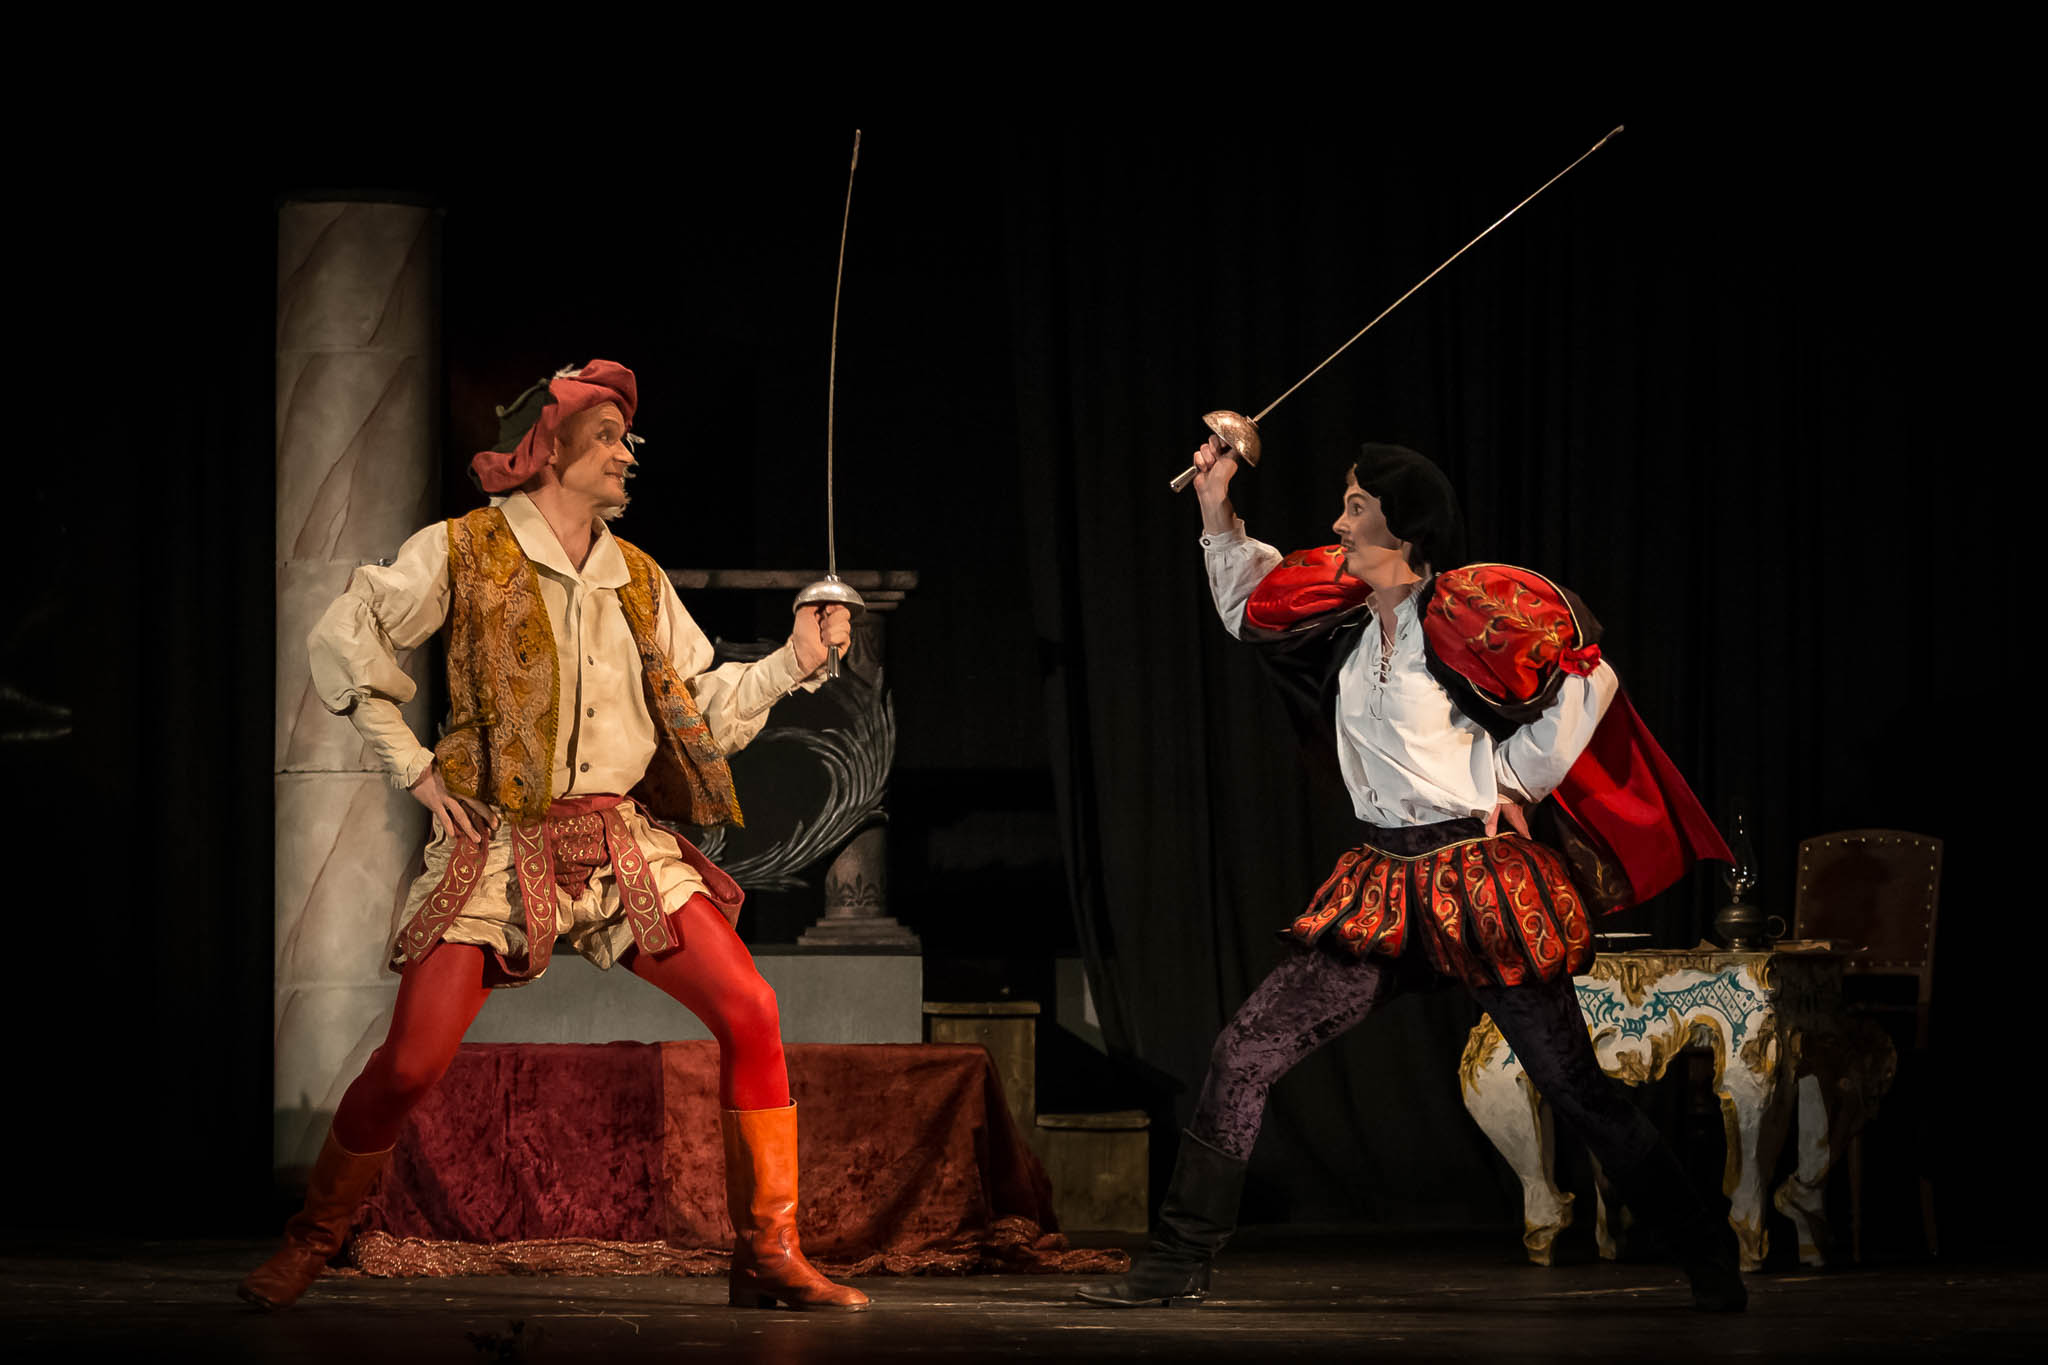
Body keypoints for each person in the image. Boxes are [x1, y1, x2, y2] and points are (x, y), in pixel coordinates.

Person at [242, 361, 868, 1312]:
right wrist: (408, 761)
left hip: (616, 841)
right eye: (611, 434)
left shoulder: (639, 580)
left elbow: (700, 708)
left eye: (629, 437)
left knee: (752, 1009)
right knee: (411, 1060)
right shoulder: (463, 551)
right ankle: (315, 1235)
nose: (629, 452)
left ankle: (765, 1251)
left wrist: (793, 658)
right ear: (547, 446)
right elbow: (347, 631)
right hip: (500, 839)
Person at [1078, 435, 1743, 1312]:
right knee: (1246, 1049)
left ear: (1407, 526)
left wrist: (1513, 779)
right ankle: (1179, 1259)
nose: (1338, 520)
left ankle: (1708, 1254)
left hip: (1476, 883)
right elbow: (1252, 604)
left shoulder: (1467, 610)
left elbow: (1591, 674)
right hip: (1385, 888)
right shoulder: (1349, 619)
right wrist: (1216, 500)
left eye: (1356, 506)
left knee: (1573, 1086)